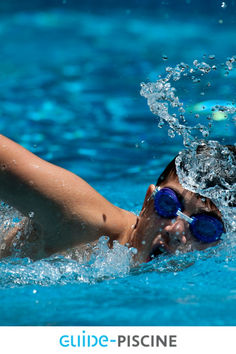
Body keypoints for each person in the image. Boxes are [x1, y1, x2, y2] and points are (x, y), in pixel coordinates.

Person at [0, 134, 234, 264]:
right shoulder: (82, 221)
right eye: (168, 204)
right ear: (147, 202)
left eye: (204, 227)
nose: (175, 229)